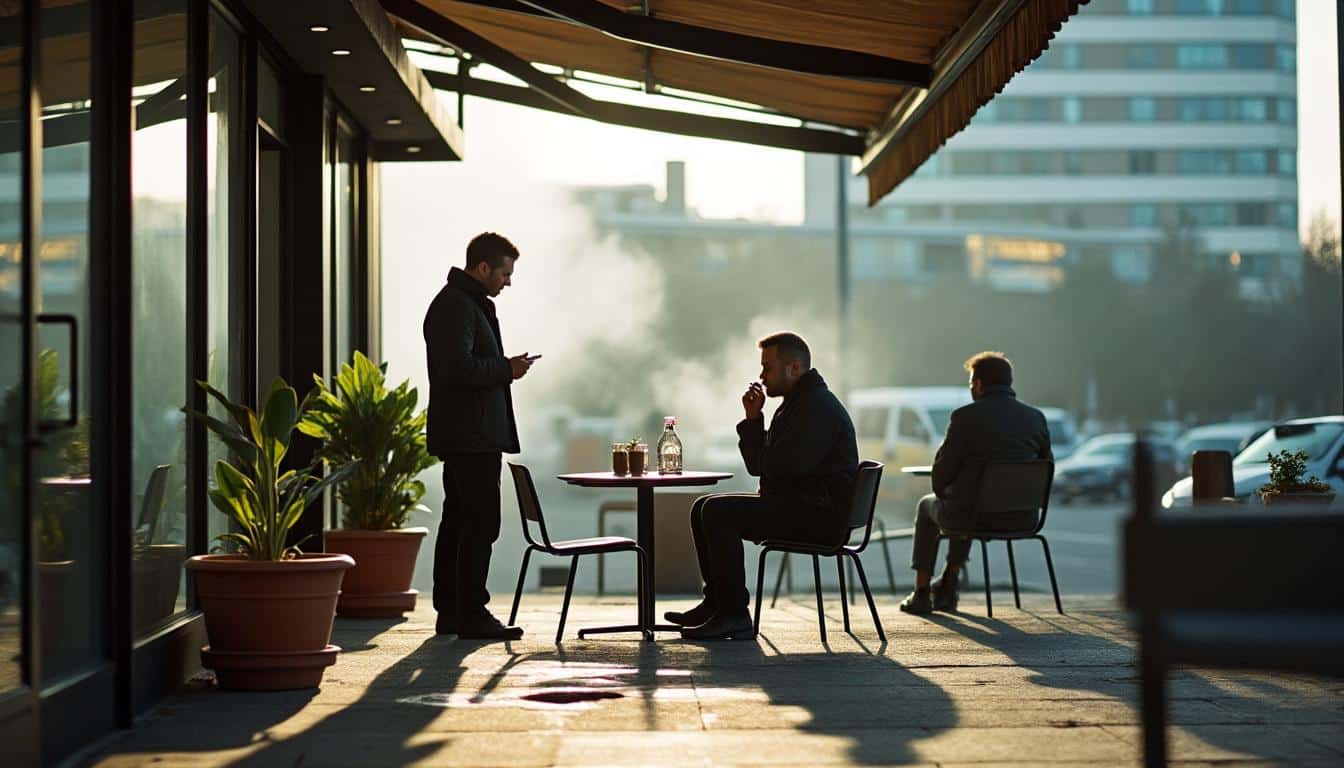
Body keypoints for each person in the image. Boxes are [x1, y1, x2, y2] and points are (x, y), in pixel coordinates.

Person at [668, 332, 858, 640]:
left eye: (768, 367)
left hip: (817, 517)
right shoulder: (797, 404)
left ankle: (733, 614)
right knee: (702, 507)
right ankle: (718, 603)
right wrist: (753, 420)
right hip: (799, 506)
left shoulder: (815, 409)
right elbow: (763, 466)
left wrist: (762, 441)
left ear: (793, 367)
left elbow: (782, 467)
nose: (761, 376)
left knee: (718, 512)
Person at [423, 232, 537, 640]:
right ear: (483, 266)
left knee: (458, 520)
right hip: (471, 436)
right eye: (504, 273)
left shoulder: (462, 303)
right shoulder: (458, 306)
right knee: (480, 522)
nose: (507, 282)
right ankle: (470, 612)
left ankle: (453, 611)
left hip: (467, 435)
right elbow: (459, 370)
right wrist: (507, 369)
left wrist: (505, 368)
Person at [899, 351, 1052, 615]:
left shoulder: (965, 418)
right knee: (968, 500)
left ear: (979, 384)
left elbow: (940, 478)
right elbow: (1046, 468)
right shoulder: (1036, 418)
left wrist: (949, 487)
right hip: (1023, 519)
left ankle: (922, 593)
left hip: (971, 518)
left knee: (932, 505)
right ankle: (949, 582)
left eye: (971, 384)